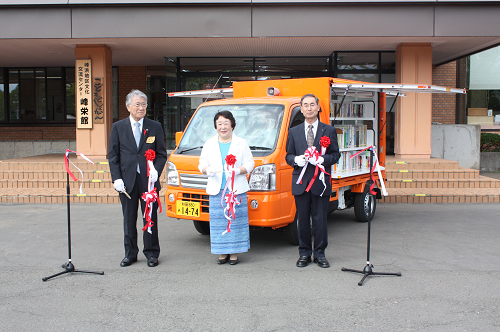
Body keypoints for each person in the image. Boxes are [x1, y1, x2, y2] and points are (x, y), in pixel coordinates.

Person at [108, 89, 168, 267]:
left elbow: (161, 154)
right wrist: (116, 178)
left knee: (149, 217)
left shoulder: (154, 126)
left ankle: (151, 253)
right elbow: (113, 156)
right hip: (127, 181)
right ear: (128, 107)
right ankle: (130, 253)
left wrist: (156, 170)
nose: (141, 108)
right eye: (137, 104)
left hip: (148, 181)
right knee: (128, 218)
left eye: (144, 104)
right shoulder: (118, 127)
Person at [285, 93, 340, 268]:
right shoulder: (293, 132)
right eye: (305, 105)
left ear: (318, 107)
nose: (309, 108)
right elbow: (288, 155)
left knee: (320, 220)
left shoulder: (329, 130)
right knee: (302, 220)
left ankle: (320, 254)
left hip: (321, 182)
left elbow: (335, 155)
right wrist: (296, 160)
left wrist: (323, 160)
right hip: (301, 182)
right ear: (301, 109)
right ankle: (304, 254)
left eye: (312, 105)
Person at [198, 110, 255, 265]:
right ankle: (222, 252)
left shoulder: (241, 142)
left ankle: (235, 253)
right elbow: (201, 164)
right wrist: (207, 170)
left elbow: (250, 163)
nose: (223, 127)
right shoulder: (209, 143)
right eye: (219, 124)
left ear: (232, 125)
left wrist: (238, 171)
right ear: (216, 126)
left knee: (236, 222)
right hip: (217, 190)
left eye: (226, 123)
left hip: (236, 190)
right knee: (219, 223)